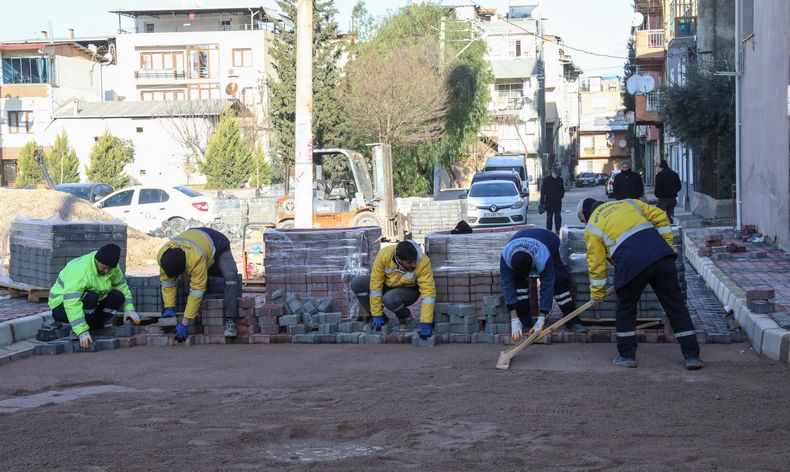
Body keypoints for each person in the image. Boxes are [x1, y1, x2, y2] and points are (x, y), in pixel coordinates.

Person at [577, 197, 703, 370]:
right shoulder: (629, 203)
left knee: (626, 310)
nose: (585, 223)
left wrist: (597, 295)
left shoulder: (593, 226)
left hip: (631, 266)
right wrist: (665, 245)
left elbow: (597, 265)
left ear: (586, 213)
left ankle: (627, 356)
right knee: (676, 306)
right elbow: (660, 216)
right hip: (661, 257)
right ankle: (692, 356)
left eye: (582, 220)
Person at [500, 227, 587, 341]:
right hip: (521, 238)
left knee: (558, 280)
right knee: (518, 285)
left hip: (549, 239)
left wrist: (542, 317)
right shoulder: (506, 257)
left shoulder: (543, 255)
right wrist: (514, 318)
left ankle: (573, 321)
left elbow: (547, 285)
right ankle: (524, 321)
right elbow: (507, 285)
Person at [48, 244, 140, 349]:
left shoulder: (112, 267)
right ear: (97, 260)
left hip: (88, 302)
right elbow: (72, 303)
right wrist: (81, 330)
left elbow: (121, 286)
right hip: (61, 306)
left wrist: (129, 310)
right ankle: (80, 329)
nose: (107, 271)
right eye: (105, 268)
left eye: (109, 269)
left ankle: (94, 326)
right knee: (92, 296)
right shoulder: (80, 270)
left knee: (118, 296)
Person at [158, 227, 239, 342]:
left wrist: (185, 323)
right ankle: (171, 316)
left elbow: (196, 291)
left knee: (230, 275)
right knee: (194, 279)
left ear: (184, 268)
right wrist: (169, 307)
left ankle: (230, 320)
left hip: (217, 244)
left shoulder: (196, 259)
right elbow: (167, 284)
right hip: (198, 241)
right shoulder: (164, 257)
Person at [351, 240, 436, 338]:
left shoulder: (423, 262)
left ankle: (405, 318)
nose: (413, 265)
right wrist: (376, 314)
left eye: (414, 261)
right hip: (388, 285)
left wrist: (426, 322)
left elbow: (428, 294)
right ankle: (381, 320)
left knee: (389, 299)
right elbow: (375, 286)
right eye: (409, 262)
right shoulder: (384, 255)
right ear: (399, 259)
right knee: (358, 283)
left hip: (409, 291)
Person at [540, 167, 565, 233]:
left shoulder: (560, 180)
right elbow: (543, 193)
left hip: (558, 202)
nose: (556, 175)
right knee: (549, 218)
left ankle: (558, 231)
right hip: (549, 202)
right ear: (552, 172)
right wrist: (542, 203)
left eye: (557, 174)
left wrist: (561, 196)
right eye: (554, 173)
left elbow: (563, 190)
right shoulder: (546, 180)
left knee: (558, 218)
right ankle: (549, 231)